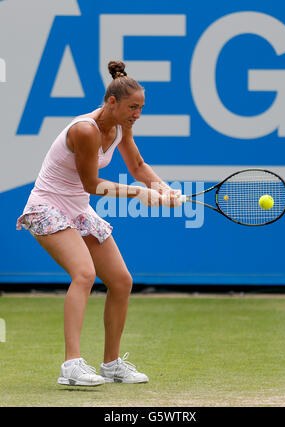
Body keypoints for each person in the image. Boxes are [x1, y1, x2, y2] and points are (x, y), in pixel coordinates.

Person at [17, 60, 182, 386]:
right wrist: (138, 193)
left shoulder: (121, 126)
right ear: (111, 102)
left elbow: (137, 164)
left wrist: (162, 187)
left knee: (121, 281)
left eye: (141, 108)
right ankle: (72, 366)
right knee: (84, 274)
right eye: (133, 107)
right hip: (48, 206)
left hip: (78, 210)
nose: (137, 114)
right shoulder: (85, 130)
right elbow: (92, 184)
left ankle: (111, 365)